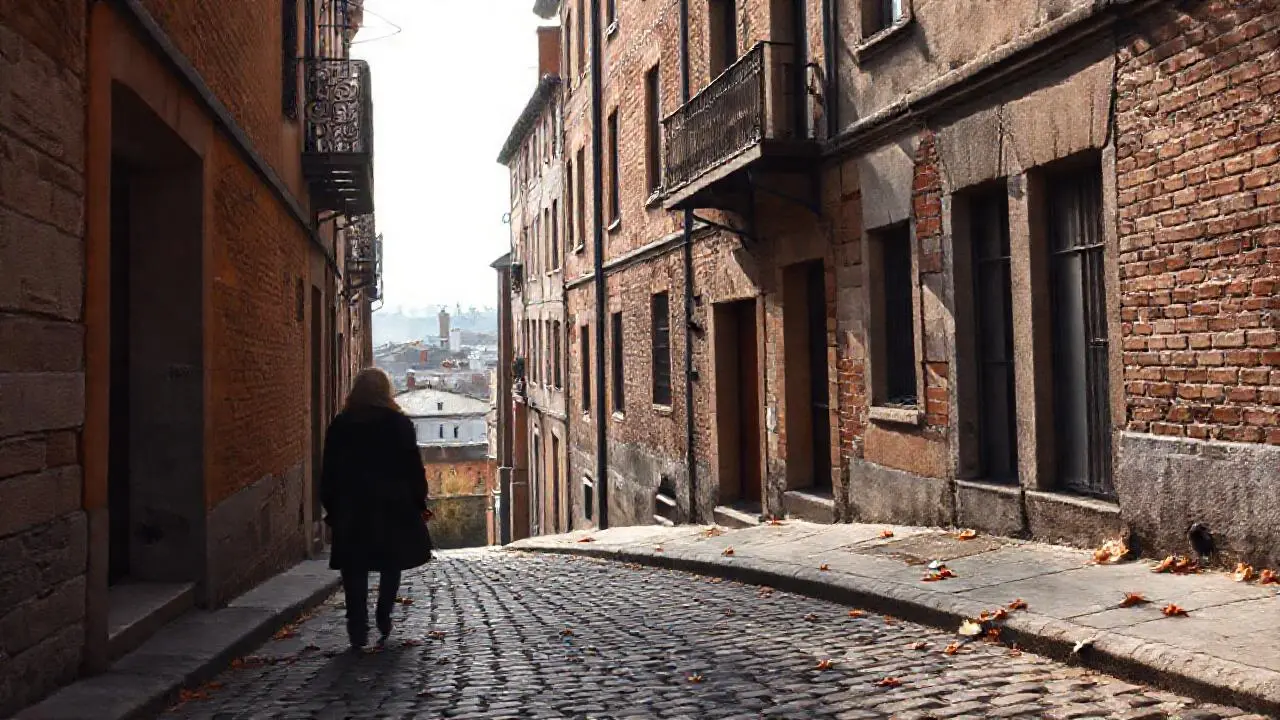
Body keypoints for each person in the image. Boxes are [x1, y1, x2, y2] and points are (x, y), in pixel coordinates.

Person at [321, 367, 433, 650]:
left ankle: (356, 622)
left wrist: (331, 506)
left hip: (352, 506)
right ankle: (384, 613)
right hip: (391, 505)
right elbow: (413, 469)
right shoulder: (399, 424)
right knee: (390, 562)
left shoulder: (341, 424)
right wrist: (419, 501)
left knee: (354, 567)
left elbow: (329, 470)